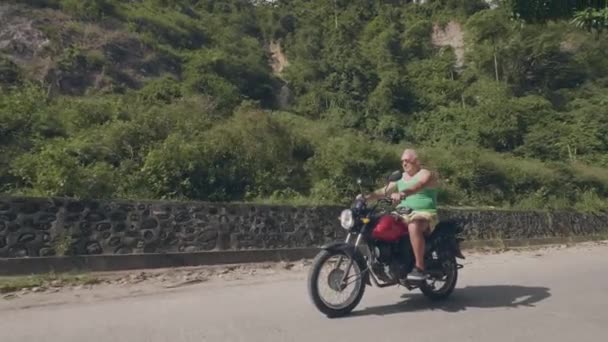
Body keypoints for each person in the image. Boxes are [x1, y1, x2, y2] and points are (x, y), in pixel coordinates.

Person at [361, 148, 439, 281]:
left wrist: (403, 193)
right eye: (402, 161)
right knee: (380, 223)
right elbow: (384, 191)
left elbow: (418, 185)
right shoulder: (400, 177)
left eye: (407, 160)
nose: (404, 164)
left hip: (424, 213)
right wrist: (366, 197)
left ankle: (420, 267)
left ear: (416, 161)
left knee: (413, 226)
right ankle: (388, 260)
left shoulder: (425, 173)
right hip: (402, 213)